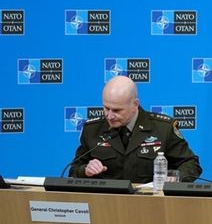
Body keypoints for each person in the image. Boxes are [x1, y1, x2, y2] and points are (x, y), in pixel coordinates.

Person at [69, 76, 202, 183]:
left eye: (116, 110)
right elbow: (74, 169)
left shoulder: (163, 128)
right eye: (106, 108)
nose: (109, 116)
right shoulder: (92, 129)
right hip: (105, 206)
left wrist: (174, 179)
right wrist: (85, 170)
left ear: (135, 105)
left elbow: (191, 163)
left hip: (150, 205)